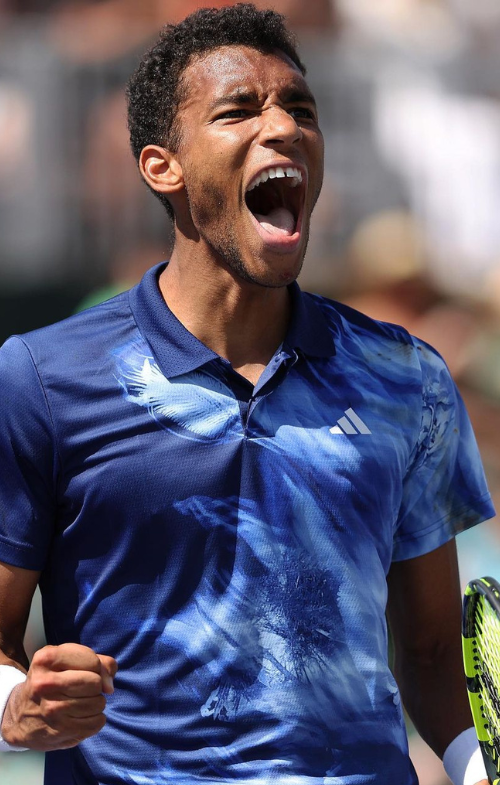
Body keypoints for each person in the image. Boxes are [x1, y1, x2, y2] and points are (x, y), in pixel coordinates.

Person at [0, 5, 494, 784]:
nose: (285, 127)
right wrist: (17, 702)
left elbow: (433, 651)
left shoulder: (409, 378)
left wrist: (475, 766)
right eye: (239, 110)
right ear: (163, 165)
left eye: (301, 108)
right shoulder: (40, 376)